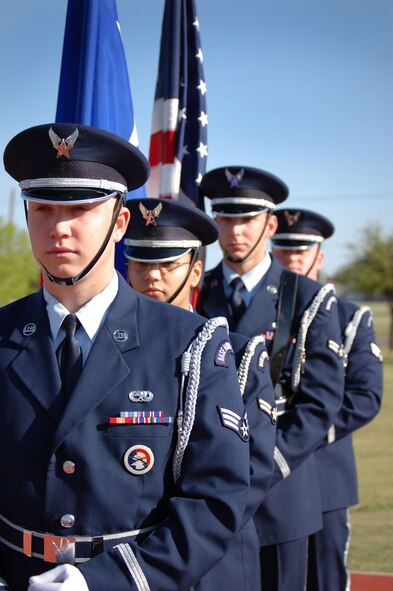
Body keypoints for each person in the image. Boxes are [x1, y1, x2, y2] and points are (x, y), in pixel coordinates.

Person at [0, 123, 251, 591]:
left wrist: (108, 581)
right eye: (43, 208)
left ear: (119, 223)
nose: (59, 228)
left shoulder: (189, 342)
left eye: (80, 209)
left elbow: (217, 496)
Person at [197, 165, 345, 591]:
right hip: (210, 494)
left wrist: (262, 467)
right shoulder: (197, 291)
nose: (234, 230)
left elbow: (319, 401)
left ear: (271, 223)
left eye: (245, 218)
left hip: (282, 490)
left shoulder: (308, 297)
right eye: (224, 217)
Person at [124, 197, 278, 589]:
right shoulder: (110, 354)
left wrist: (174, 548)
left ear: (195, 273)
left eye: (167, 264)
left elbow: (251, 472)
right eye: (140, 262)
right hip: (127, 560)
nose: (151, 276)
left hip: (214, 563)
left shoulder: (239, 353)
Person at [271, 207, 383, 591]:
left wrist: (307, 432)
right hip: (274, 476)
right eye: (285, 249)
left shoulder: (351, 317)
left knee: (325, 576)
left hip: (324, 468)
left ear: (320, 255)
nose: (293, 258)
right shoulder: (258, 311)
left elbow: (365, 397)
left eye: (303, 250)